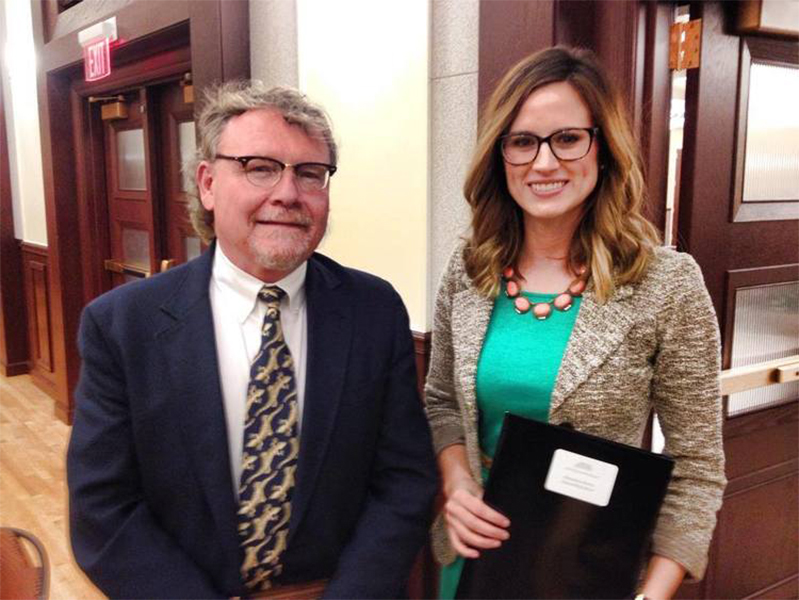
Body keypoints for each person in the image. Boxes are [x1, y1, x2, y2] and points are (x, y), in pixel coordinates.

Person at [67, 82, 438, 599]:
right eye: (259, 167)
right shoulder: (122, 326)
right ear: (208, 184)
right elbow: (103, 510)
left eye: (310, 173)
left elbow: (404, 479)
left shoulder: (374, 311)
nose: (287, 193)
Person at [424, 46, 726, 600]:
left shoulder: (666, 284)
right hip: (474, 556)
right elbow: (442, 401)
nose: (543, 163)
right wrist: (457, 481)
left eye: (567, 139)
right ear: (499, 155)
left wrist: (652, 595)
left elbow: (697, 467)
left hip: (588, 569)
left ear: (603, 149)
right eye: (522, 142)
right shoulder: (469, 271)